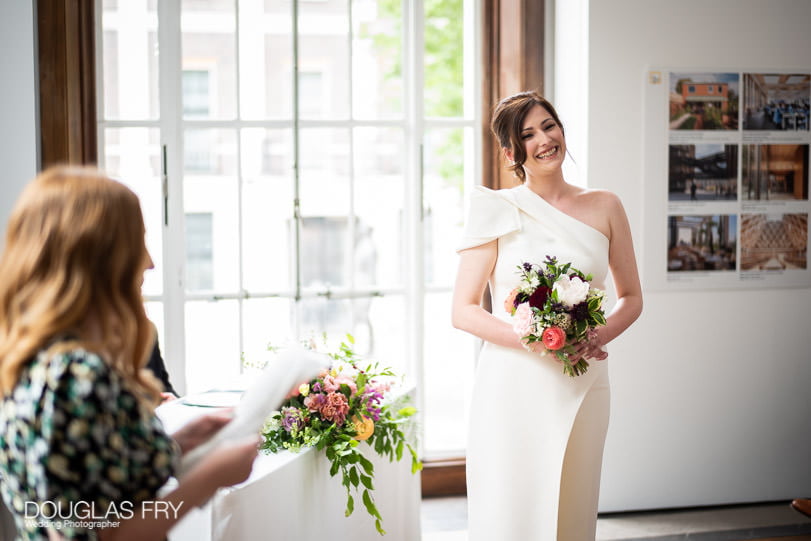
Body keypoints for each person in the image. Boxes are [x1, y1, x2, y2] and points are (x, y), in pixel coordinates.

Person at [0, 166, 260, 540]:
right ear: (99, 260)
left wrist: (177, 446)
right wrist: (211, 477)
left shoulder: (36, 364)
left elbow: (90, 495)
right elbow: (104, 533)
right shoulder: (77, 376)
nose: (149, 262)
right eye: (137, 241)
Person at [452, 91, 643, 540]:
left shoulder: (606, 205)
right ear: (510, 152)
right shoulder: (496, 208)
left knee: (573, 507)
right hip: (512, 383)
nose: (544, 139)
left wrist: (595, 337)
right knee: (512, 510)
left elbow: (631, 297)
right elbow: (462, 311)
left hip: (585, 380)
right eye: (528, 134)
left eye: (549, 126)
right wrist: (537, 338)